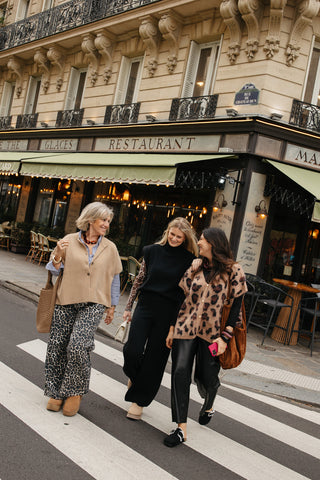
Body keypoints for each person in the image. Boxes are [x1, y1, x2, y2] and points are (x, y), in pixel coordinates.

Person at [164, 227, 247, 447]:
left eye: (201, 240)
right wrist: (173, 328)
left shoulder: (234, 271)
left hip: (212, 336)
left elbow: (237, 306)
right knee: (180, 370)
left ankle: (210, 401)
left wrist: (225, 338)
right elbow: (180, 299)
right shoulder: (195, 267)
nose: (198, 242)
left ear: (213, 243)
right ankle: (180, 427)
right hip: (186, 327)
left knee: (207, 376)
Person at [44, 202, 122, 417]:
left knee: (78, 345)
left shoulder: (110, 248)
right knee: (58, 345)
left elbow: (115, 277)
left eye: (108, 221)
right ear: (90, 220)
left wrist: (112, 306)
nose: (106, 224)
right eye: (103, 220)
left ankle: (74, 392)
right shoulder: (68, 241)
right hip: (66, 300)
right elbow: (52, 270)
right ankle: (56, 391)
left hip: (94, 303)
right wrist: (58, 255)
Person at [122, 217, 199, 420]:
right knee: (132, 350)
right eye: (171, 234)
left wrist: (174, 325)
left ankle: (138, 401)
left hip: (168, 311)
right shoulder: (151, 251)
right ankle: (136, 378)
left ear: (185, 238)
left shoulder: (188, 260)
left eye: (178, 237)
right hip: (145, 305)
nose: (174, 238)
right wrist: (128, 307)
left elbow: (183, 296)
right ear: (167, 232)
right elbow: (139, 280)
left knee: (155, 359)